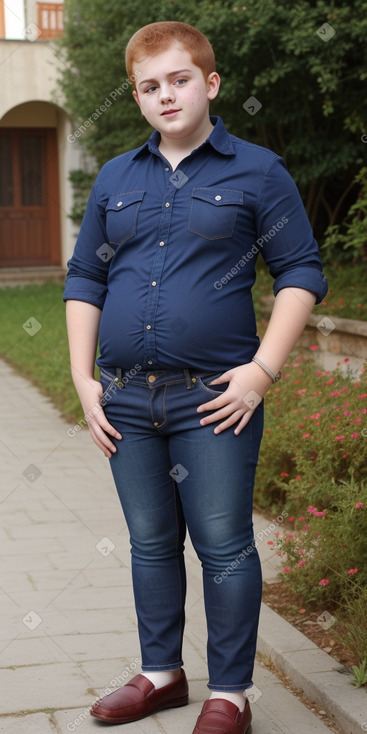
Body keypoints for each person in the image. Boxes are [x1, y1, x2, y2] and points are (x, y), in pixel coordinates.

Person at [63, 20, 328, 734]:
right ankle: (161, 675)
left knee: (223, 544)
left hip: (215, 400)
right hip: (123, 396)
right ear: (137, 98)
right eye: (149, 86)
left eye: (179, 79)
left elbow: (301, 270)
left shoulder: (258, 171)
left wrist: (261, 372)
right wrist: (81, 379)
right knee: (149, 542)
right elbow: (85, 274)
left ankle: (231, 693)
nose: (164, 95)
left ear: (209, 83)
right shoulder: (116, 176)